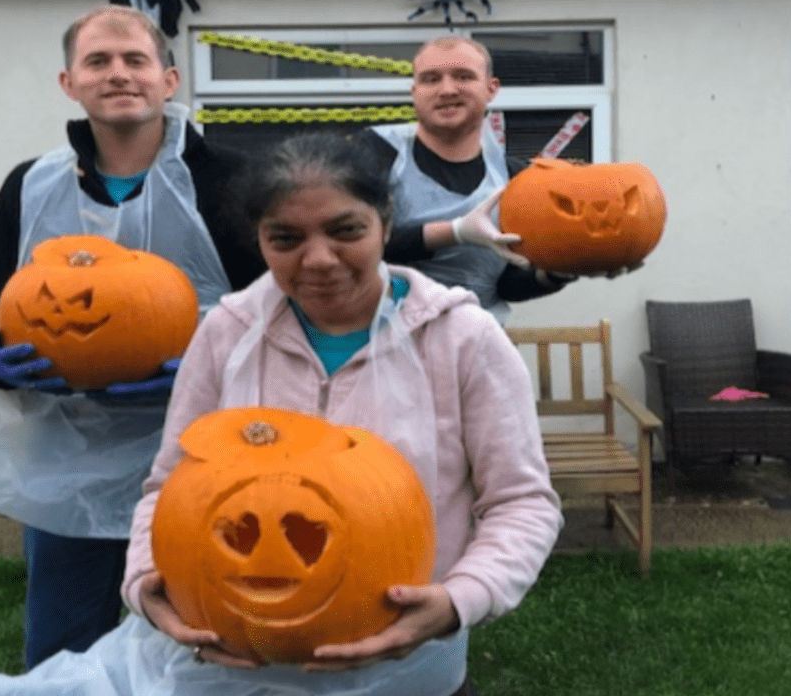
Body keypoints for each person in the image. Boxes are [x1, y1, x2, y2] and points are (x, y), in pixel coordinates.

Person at [120, 130, 562, 696]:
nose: (319, 259)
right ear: (259, 239)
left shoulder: (462, 340)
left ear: (385, 219)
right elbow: (167, 485)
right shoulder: (225, 334)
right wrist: (143, 582)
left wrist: (460, 599)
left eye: (345, 230)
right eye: (286, 238)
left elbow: (521, 501)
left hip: (413, 673)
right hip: (240, 673)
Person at [0, 5, 265, 668]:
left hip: (207, 448)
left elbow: (284, 308)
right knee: (63, 644)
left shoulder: (238, 181)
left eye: (134, 60)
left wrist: (206, 359)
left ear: (169, 78)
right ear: (69, 82)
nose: (118, 73)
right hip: (69, 451)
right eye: (98, 61)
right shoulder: (30, 185)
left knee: (206, 637)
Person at [365, 35, 573, 314]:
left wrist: (556, 273)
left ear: (491, 89)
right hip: (390, 343)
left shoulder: (516, 178)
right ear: (414, 91)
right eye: (431, 79)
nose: (448, 90)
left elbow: (500, 284)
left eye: (463, 77)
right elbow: (354, 245)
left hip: (478, 342)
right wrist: (456, 232)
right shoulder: (375, 152)